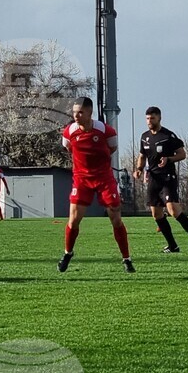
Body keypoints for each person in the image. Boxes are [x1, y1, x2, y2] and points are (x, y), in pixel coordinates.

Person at [58, 97, 134, 273]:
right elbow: (68, 148)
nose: (76, 115)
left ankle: (126, 259)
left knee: (115, 217)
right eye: (74, 112)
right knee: (74, 220)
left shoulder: (105, 131)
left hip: (104, 178)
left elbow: (112, 148)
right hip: (81, 179)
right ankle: (68, 253)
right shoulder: (69, 131)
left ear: (89, 113)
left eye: (80, 112)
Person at [134, 107, 188, 254]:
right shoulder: (144, 137)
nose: (149, 121)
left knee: (173, 211)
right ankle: (173, 245)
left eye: (152, 118)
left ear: (159, 118)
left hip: (168, 177)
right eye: (147, 118)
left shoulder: (168, 136)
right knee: (156, 214)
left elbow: (182, 154)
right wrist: (139, 169)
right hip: (154, 179)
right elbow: (142, 156)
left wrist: (169, 159)